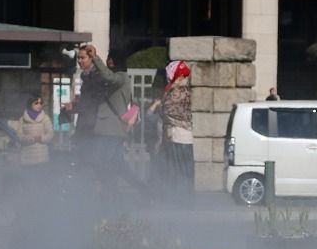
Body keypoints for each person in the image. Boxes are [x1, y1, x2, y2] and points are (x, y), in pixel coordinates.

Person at [61, 43, 136, 192]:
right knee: (116, 164)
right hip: (99, 128)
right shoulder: (91, 76)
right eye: (78, 58)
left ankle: (108, 196)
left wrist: (75, 107)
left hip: (106, 128)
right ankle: (135, 192)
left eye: (83, 57)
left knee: (101, 163)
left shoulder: (113, 77)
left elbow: (93, 102)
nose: (79, 61)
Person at [149, 60, 194, 205]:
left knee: (177, 170)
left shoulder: (175, 91)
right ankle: (185, 200)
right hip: (184, 136)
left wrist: (159, 104)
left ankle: (178, 200)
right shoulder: (185, 90)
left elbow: (167, 111)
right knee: (185, 170)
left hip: (176, 135)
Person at [17, 95, 54, 170]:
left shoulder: (45, 118)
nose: (39, 105)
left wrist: (41, 138)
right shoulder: (22, 119)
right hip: (27, 157)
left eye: (41, 103)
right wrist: (28, 138)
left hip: (41, 158)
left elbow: (50, 134)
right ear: (30, 104)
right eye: (36, 103)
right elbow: (19, 135)